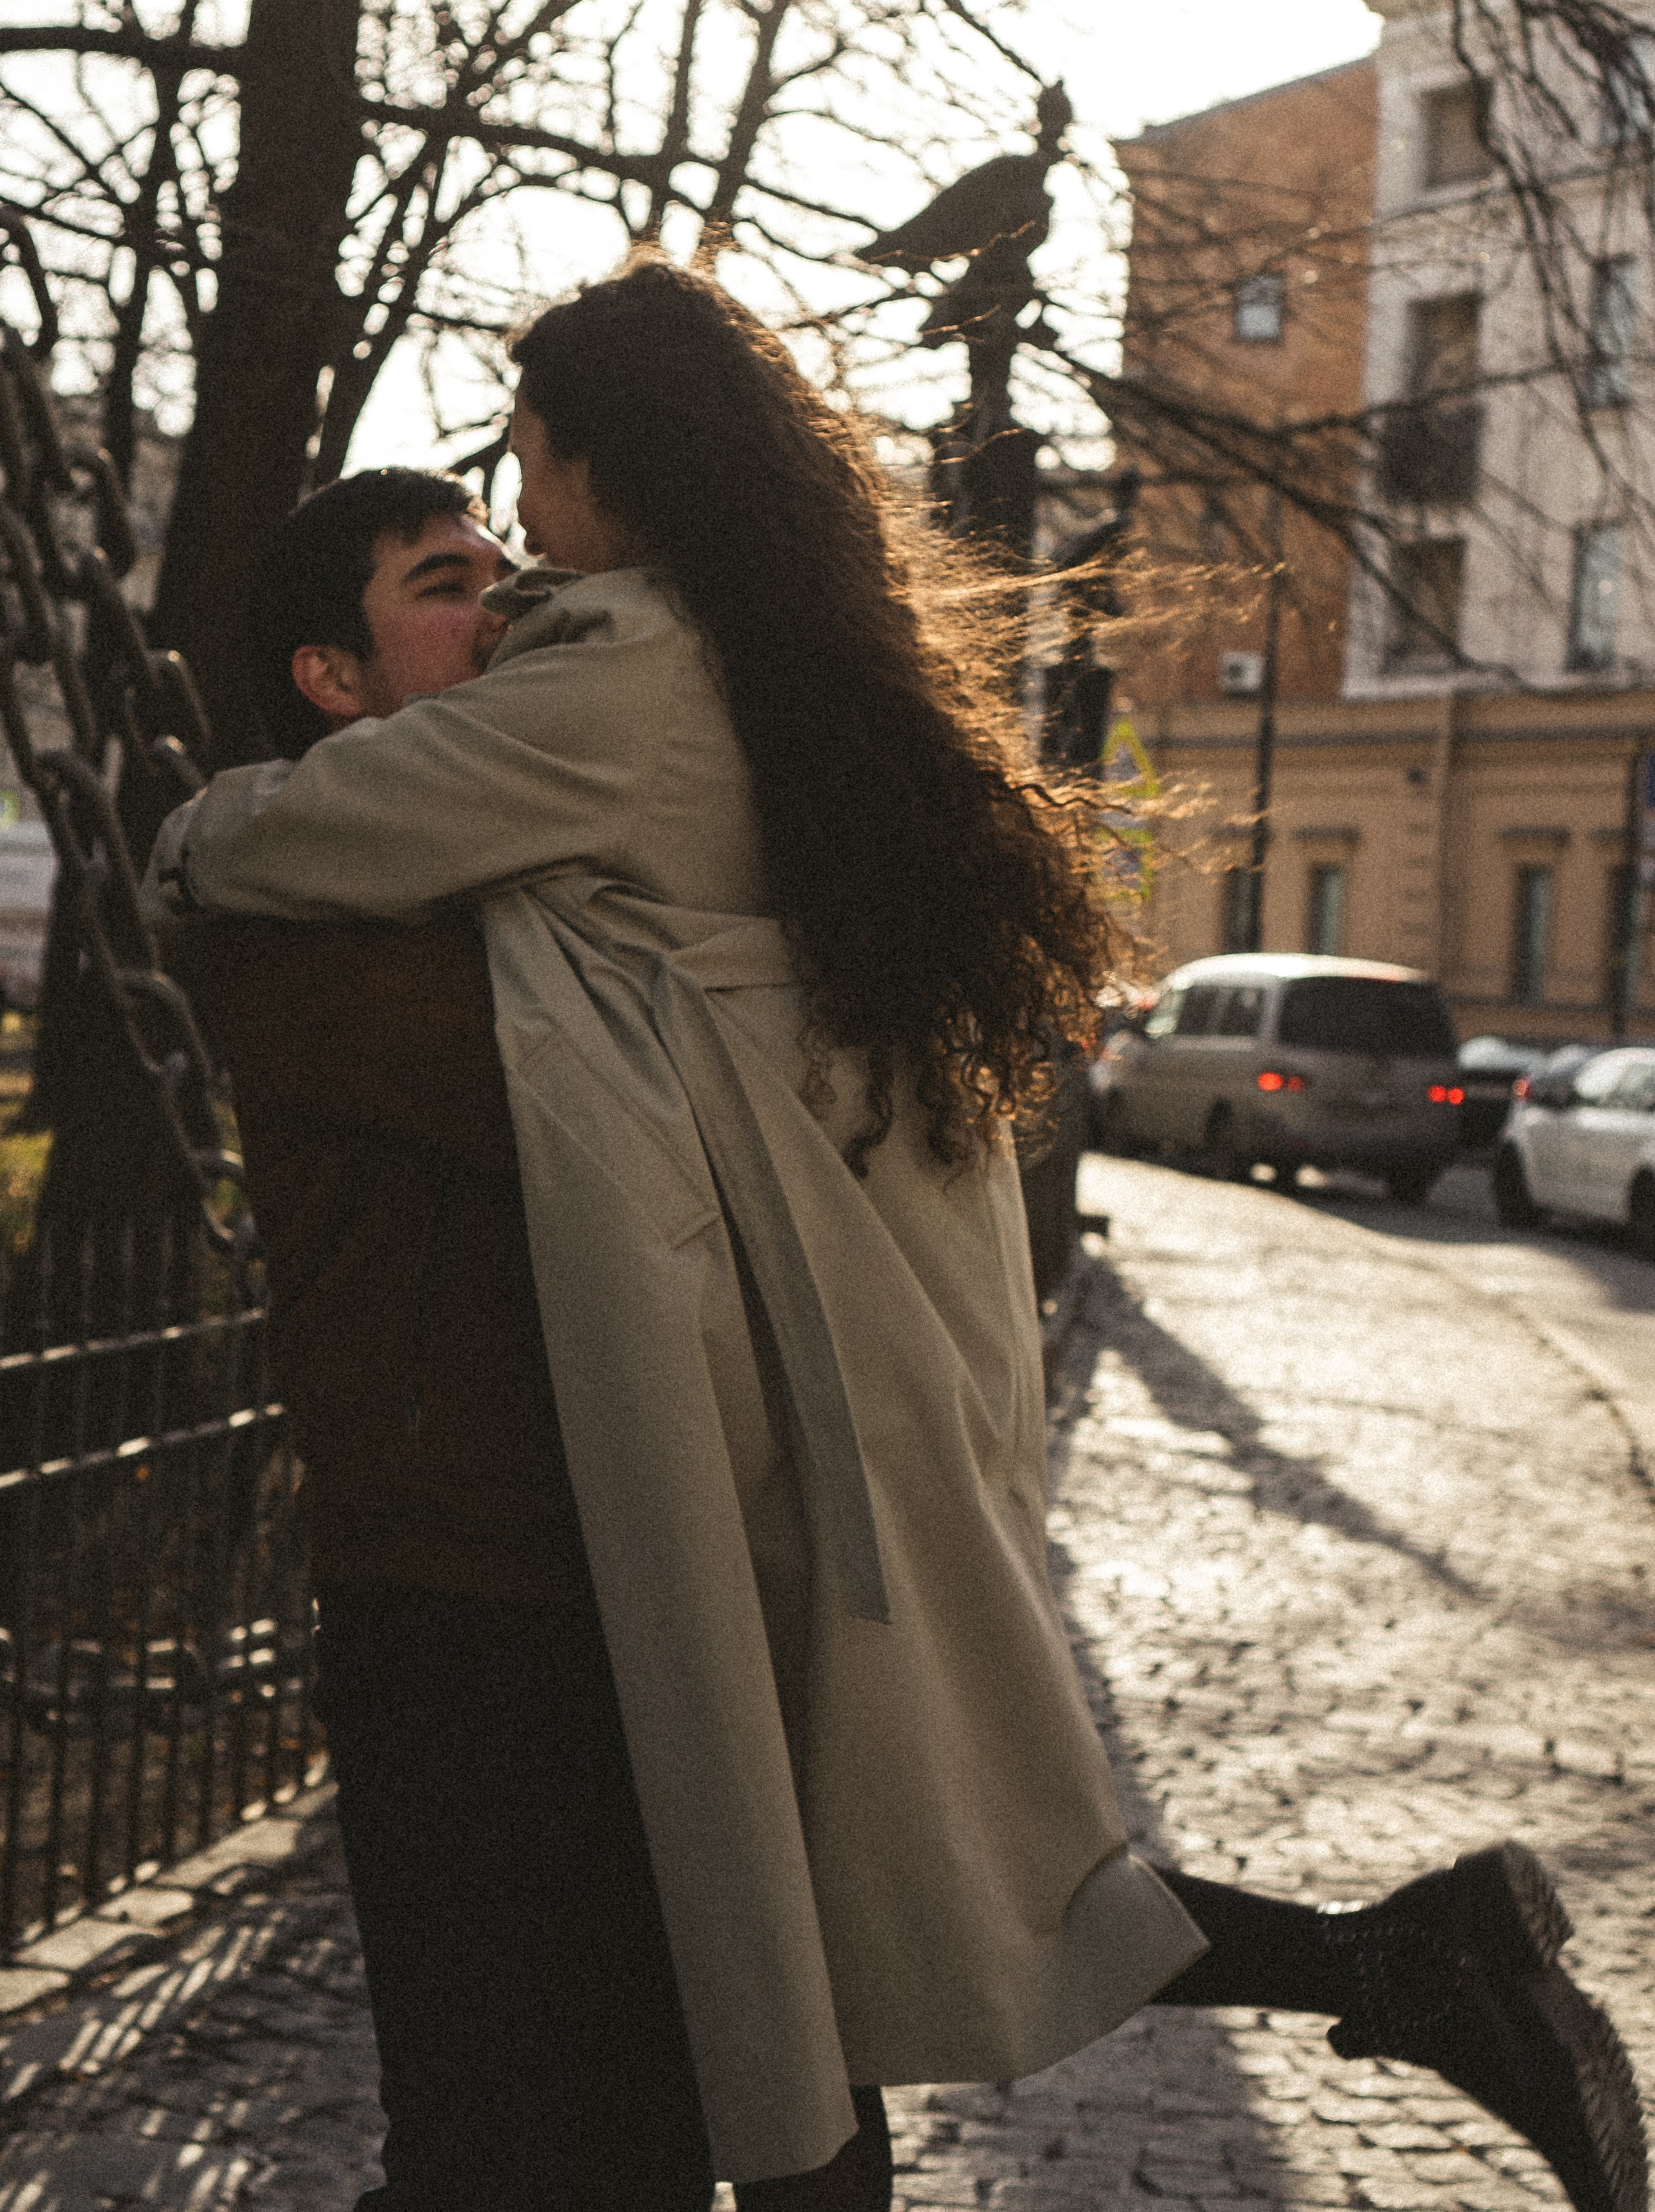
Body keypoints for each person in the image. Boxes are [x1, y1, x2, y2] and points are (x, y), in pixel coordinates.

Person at [152, 261, 1647, 2212]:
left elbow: (380, 921)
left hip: (632, 1528)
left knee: (796, 1970)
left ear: (622, 465)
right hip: (568, 1538)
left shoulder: (586, 716)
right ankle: (1396, 1966)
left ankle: (1396, 1966)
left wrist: (202, 826)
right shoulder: (726, 691)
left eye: (521, 497)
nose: (513, 563)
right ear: (330, 683)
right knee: (823, 1944)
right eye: (454, 579)